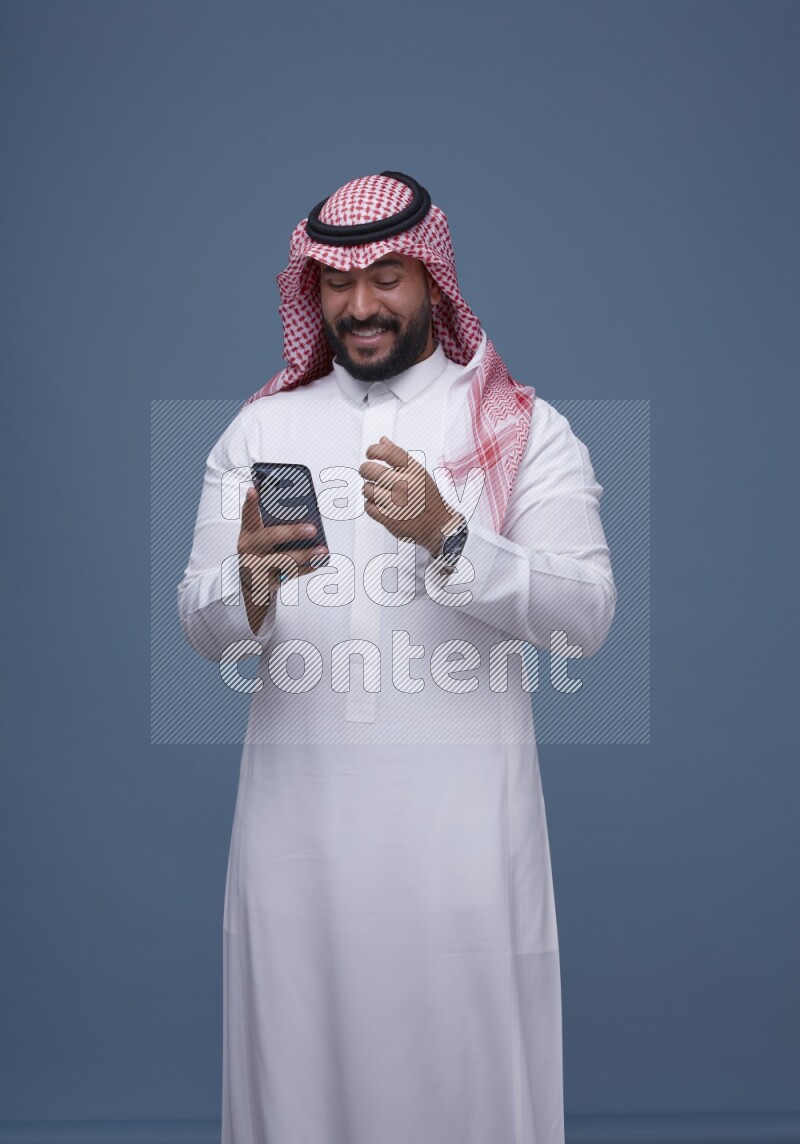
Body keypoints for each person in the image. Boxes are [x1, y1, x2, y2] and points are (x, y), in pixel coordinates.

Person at [178, 171, 616, 1144]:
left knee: (460, 1085)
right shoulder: (262, 429)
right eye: (337, 283)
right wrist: (251, 582)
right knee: (299, 1083)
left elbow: (583, 616)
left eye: (385, 278)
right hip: (296, 847)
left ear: (431, 280)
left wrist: (449, 536)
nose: (359, 305)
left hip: (462, 846)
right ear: (311, 290)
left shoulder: (520, 426)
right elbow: (202, 628)